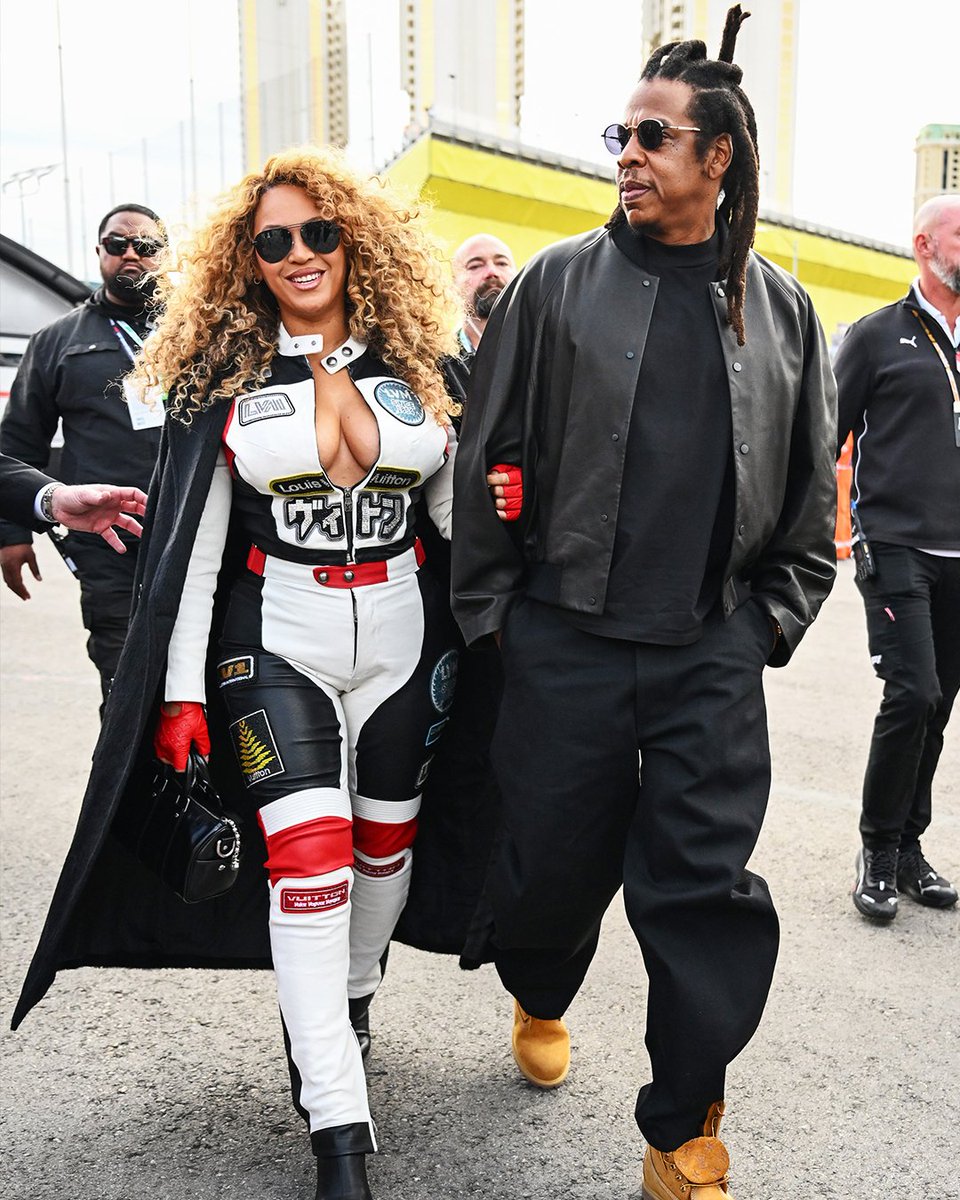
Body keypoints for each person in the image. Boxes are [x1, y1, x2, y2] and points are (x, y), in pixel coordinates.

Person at [13, 149, 466, 1200]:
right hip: (274, 643)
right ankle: (338, 1128)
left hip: (407, 641)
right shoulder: (226, 378)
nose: (299, 253)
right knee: (310, 871)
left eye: (320, 233)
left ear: (359, 241)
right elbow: (196, 554)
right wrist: (175, 697)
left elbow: (458, 530)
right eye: (274, 241)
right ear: (247, 261)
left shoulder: (424, 365)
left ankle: (348, 1005)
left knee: (382, 857)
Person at [451, 8, 837, 1198]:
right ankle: (540, 983)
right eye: (621, 131)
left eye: (654, 135)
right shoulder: (558, 286)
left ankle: (683, 1132)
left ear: (718, 156)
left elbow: (814, 498)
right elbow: (487, 457)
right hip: (563, 643)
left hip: (709, 656)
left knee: (702, 896)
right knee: (550, 876)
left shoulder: (782, 311)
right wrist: (499, 618)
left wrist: (768, 622)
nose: (628, 151)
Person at [837, 193, 960, 922]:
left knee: (940, 703)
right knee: (911, 692)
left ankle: (910, 849)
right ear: (924, 244)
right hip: (896, 548)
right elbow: (827, 436)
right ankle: (877, 849)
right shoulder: (879, 335)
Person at [0, 204, 165, 699]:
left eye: (146, 245)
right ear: (99, 252)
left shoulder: (197, 333)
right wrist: (12, 532)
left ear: (165, 254)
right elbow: (18, 441)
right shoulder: (56, 341)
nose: (131, 253)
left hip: (201, 532)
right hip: (107, 543)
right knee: (124, 676)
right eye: (117, 244)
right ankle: (128, 777)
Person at [0, 453, 146, 550]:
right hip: (97, 544)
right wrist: (13, 535)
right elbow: (21, 439)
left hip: (153, 529)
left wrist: (53, 499)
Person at [452, 233, 517, 356]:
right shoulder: (434, 364)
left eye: (502, 263)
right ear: (454, 284)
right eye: (475, 266)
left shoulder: (546, 352)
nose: (492, 272)